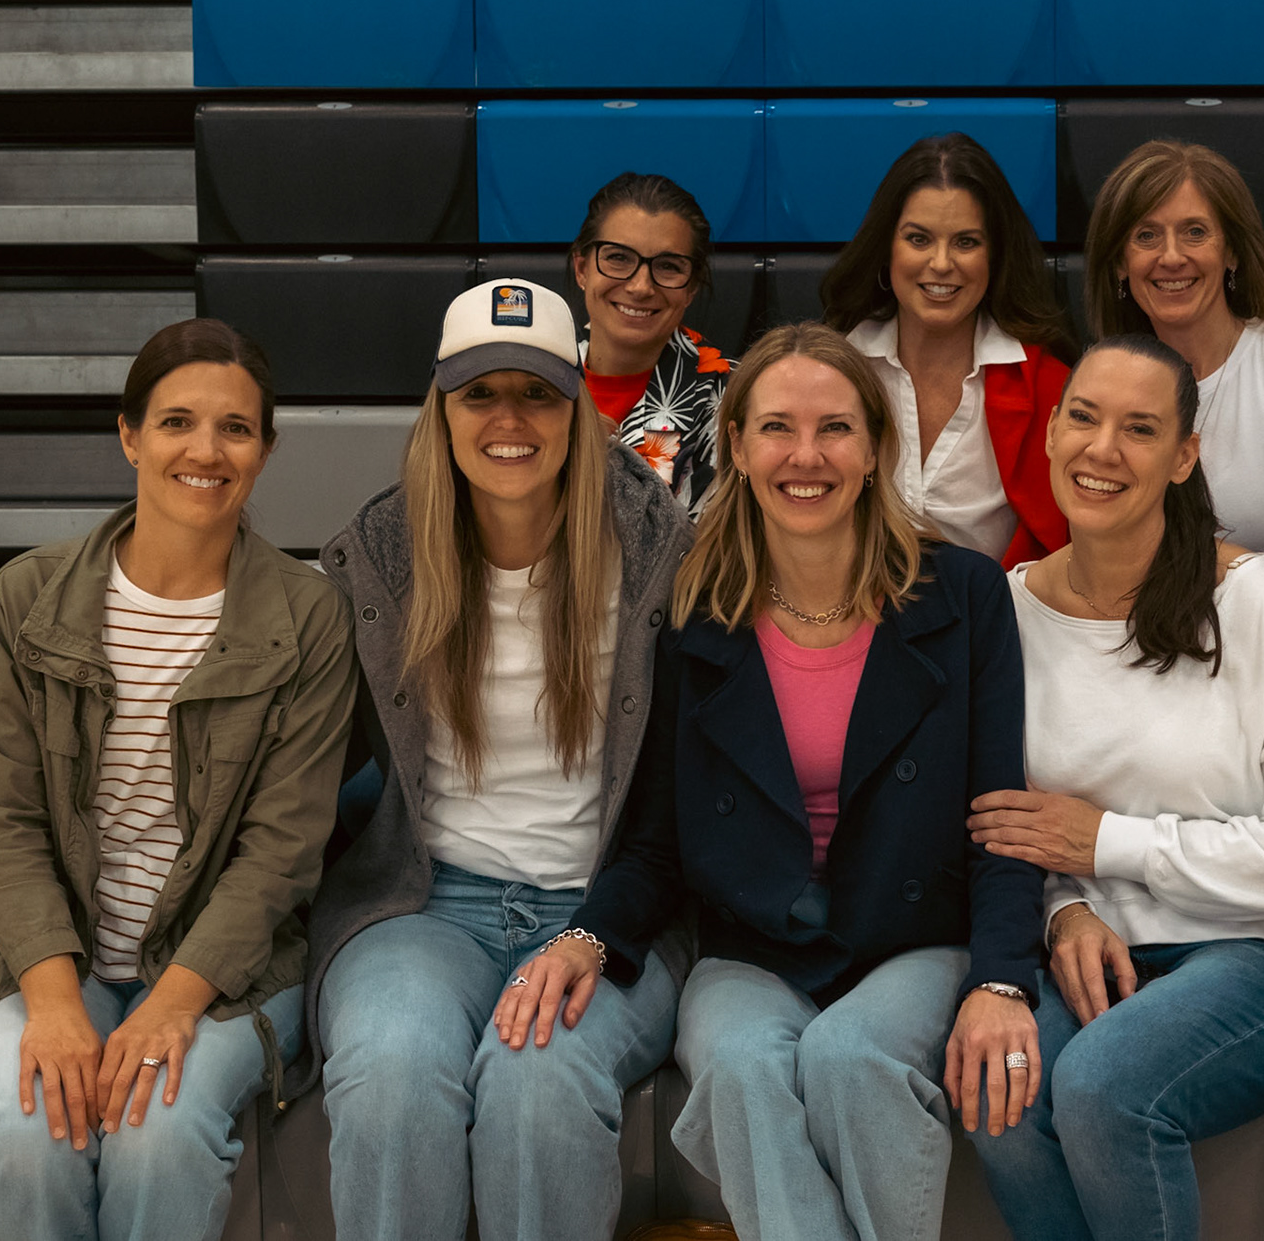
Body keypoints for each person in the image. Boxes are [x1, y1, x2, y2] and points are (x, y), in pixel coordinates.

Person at [505, 322, 1045, 1241]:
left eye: (835, 428)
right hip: (752, 947)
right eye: (777, 428)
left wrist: (1002, 980)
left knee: (852, 1056)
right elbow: (657, 840)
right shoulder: (696, 612)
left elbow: (1003, 818)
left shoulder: (962, 594)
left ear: (875, 448)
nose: (806, 455)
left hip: (915, 937)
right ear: (739, 447)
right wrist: (589, 935)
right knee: (741, 1066)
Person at [0, 318, 357, 1240]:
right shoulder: (26, 597)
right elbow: (5, 822)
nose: (206, 450)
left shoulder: (310, 619)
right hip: (52, 956)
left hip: (225, 973)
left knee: (157, 1133)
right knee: (25, 1133)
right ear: (129, 436)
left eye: (235, 428)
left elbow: (281, 852)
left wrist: (171, 1006)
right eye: (177, 422)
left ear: (266, 450)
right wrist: (55, 1006)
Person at [303, 279, 694, 1241]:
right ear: (441, 407)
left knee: (538, 1082)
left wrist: (594, 934)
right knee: (391, 1071)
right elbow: (302, 768)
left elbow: (679, 809)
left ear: (579, 407)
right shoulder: (382, 557)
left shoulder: (660, 555)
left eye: (536, 393)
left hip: (606, 909)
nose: (508, 420)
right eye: (480, 393)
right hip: (426, 902)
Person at [962, 333, 1264, 1239]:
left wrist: (1107, 843)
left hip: (1263, 946)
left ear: (1185, 457)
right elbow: (1010, 822)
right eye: (1083, 417)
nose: (1102, 449)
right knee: (1000, 1087)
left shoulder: (1254, 597)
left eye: (1140, 429)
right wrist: (1065, 908)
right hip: (1093, 947)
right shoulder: (1009, 607)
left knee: (1103, 1086)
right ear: (1052, 433)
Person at [823, 132, 1077, 566]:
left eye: (966, 242)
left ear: (995, 256)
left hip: (1004, 608)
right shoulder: (829, 372)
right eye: (918, 239)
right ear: (886, 249)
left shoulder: (1052, 388)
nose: (941, 263)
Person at [1082, 140, 1264, 557]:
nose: (1171, 257)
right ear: (1120, 264)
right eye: (1147, 236)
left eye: (1195, 232)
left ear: (1232, 251)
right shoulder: (1098, 382)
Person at [572, 171, 733, 514]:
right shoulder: (534, 379)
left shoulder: (738, 398)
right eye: (618, 258)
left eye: (668, 266)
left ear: (691, 288)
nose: (641, 287)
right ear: (582, 268)